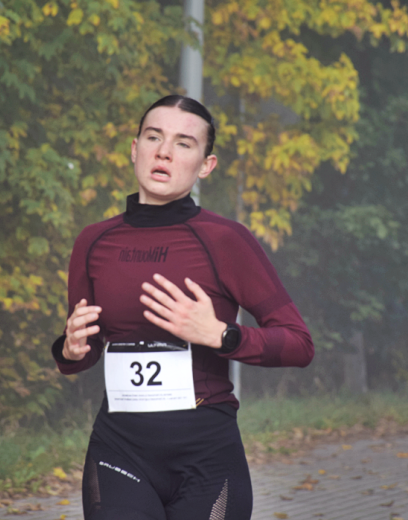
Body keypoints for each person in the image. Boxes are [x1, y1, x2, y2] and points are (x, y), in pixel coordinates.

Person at [51, 95, 314, 520]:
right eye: (154, 137)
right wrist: (70, 349)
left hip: (207, 459)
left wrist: (221, 336)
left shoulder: (226, 240)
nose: (164, 152)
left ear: (206, 165)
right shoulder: (93, 242)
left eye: (184, 143)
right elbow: (80, 356)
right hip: (119, 450)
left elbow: (300, 344)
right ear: (134, 149)